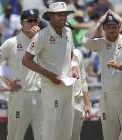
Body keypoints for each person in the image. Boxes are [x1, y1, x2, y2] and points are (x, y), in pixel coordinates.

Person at [22, 2, 76, 140]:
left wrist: (73, 67)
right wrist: (50, 76)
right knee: (51, 127)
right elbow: (26, 60)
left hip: (68, 85)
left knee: (66, 127)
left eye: (65, 14)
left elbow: (70, 55)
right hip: (51, 86)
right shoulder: (42, 35)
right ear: (51, 16)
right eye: (59, 14)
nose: (63, 17)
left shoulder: (68, 32)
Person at [0, 9, 43, 140]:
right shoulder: (11, 43)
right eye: (29, 21)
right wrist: (5, 85)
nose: (33, 24)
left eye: (35, 20)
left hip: (41, 97)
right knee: (15, 137)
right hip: (19, 96)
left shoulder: (44, 41)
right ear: (21, 23)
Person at [82, 10, 122, 140]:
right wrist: (99, 21)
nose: (112, 29)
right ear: (104, 28)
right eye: (108, 26)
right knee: (109, 136)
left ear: (119, 27)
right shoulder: (101, 43)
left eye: (114, 26)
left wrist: (119, 18)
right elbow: (85, 41)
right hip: (107, 97)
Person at [71, 49, 92, 140]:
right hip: (63, 100)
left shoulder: (78, 53)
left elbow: (83, 80)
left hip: (78, 101)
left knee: (75, 136)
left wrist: (87, 103)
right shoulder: (54, 50)